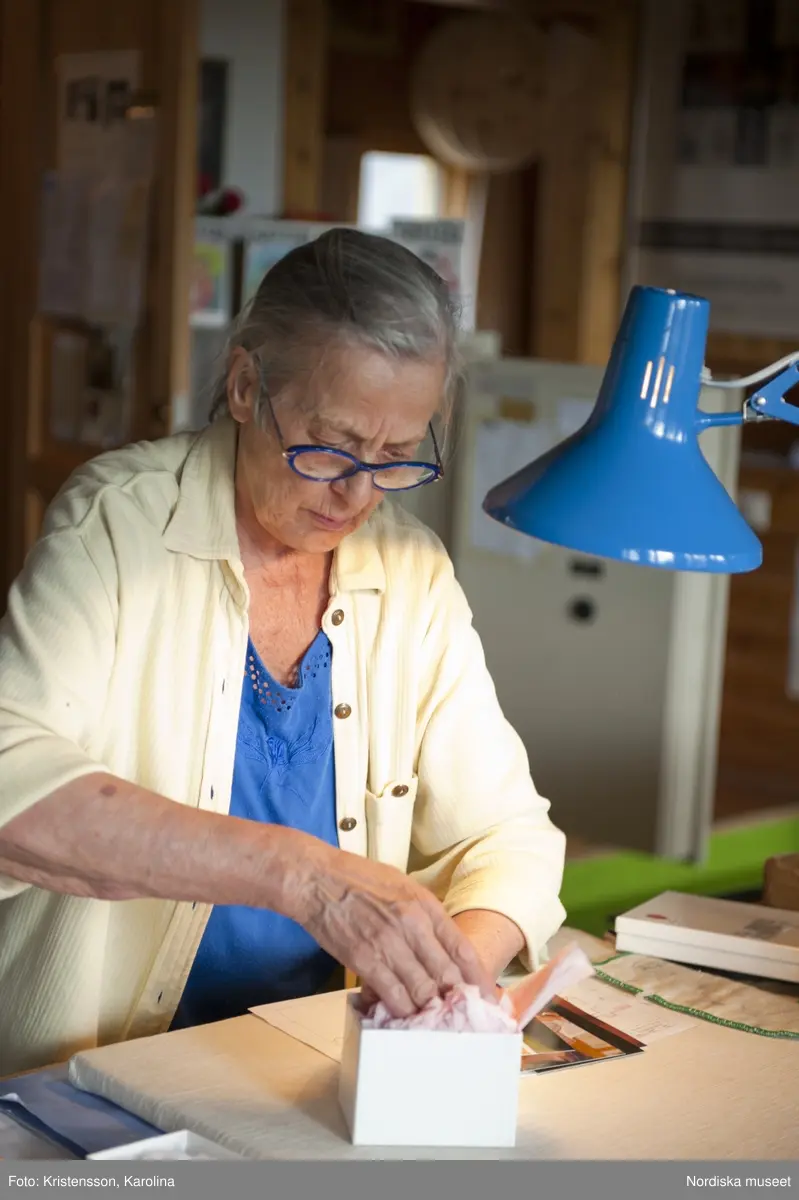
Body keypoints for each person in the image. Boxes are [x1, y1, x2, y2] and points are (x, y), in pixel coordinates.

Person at [0, 229, 566, 1076]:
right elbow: (13, 788)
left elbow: (511, 836)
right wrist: (301, 875)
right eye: (329, 446)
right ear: (242, 387)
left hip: (306, 1070)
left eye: (396, 456)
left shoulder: (409, 572)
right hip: (100, 1072)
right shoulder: (117, 524)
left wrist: (444, 987)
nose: (357, 492)